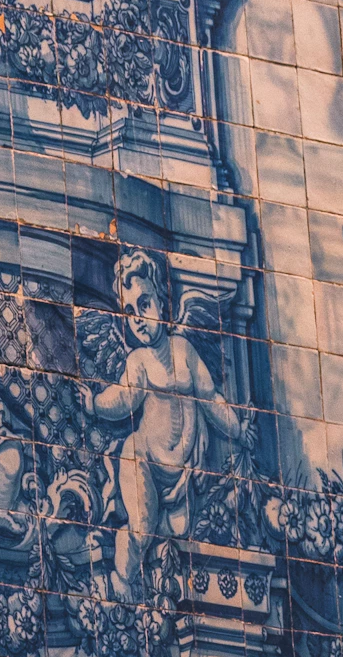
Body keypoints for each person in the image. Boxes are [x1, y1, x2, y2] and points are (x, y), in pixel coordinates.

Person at [91, 249, 247, 598]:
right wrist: (96, 403)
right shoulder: (139, 361)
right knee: (143, 529)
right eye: (129, 312)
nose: (138, 318)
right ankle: (121, 575)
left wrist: (237, 429)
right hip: (143, 457)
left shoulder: (183, 350)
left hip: (181, 471)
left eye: (144, 303)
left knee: (178, 532)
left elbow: (210, 398)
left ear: (163, 299)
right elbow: (123, 399)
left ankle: (150, 581)